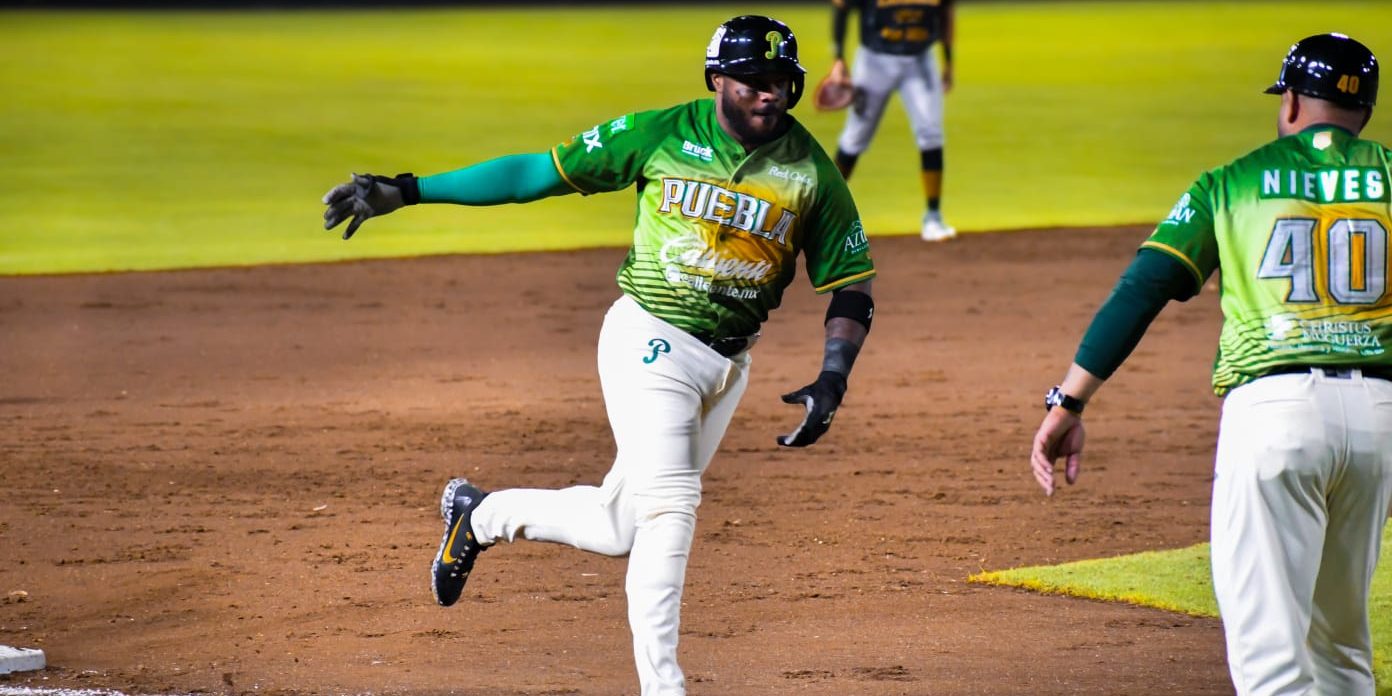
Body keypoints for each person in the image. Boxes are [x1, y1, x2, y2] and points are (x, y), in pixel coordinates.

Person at [320, 15, 876, 696]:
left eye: (782, 83)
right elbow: (536, 173)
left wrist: (833, 376)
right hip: (649, 340)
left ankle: (482, 515)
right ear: (717, 81)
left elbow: (851, 283)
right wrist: (407, 190)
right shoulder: (661, 134)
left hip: (729, 365)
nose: (770, 95)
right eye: (754, 82)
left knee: (620, 525)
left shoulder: (810, 172)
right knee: (672, 505)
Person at [1029, 33, 1391, 696]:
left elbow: (1143, 288)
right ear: (1365, 111)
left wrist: (1069, 401)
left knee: (1270, 664)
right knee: (1342, 649)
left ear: (1289, 103)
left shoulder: (1233, 182)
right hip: (1379, 423)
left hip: (1275, 416)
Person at [826, 0, 956, 241]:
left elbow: (946, 14)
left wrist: (948, 60)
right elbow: (841, 7)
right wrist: (838, 58)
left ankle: (933, 217)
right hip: (874, 62)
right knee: (854, 138)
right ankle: (821, 215)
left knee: (931, 135)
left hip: (921, 61)